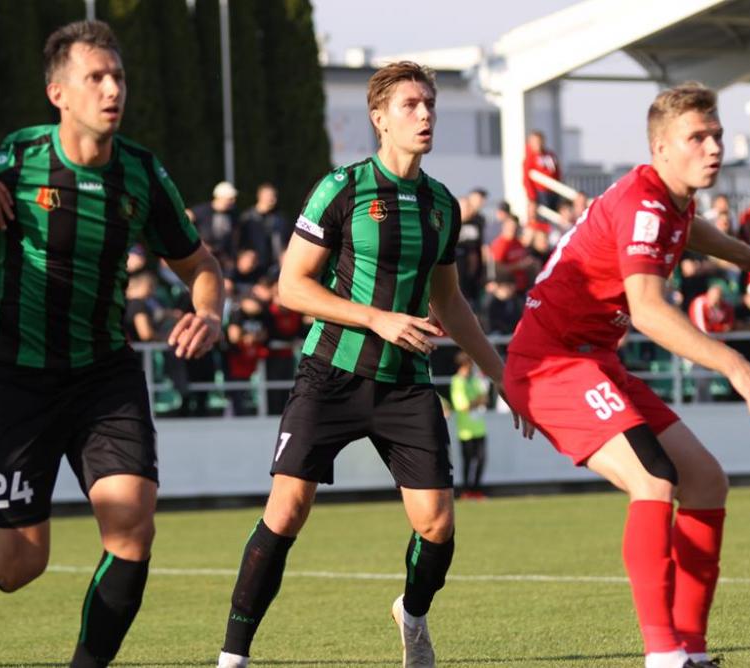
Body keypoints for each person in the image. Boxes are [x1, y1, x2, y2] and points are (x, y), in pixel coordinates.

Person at [216, 61, 530, 668]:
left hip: (406, 384)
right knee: (287, 509)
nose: (425, 114)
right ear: (379, 117)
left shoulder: (442, 205)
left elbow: (449, 302)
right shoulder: (342, 189)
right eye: (411, 104)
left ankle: (411, 614)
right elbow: (291, 287)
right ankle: (233, 658)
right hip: (330, 373)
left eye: (430, 103)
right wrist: (376, 318)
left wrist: (502, 375)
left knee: (436, 524)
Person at [0, 21, 224, 667]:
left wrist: (208, 311)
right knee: (18, 565)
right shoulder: (15, 162)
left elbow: (200, 264)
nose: (112, 89)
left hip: (103, 375)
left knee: (132, 527)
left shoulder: (141, 174)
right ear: (58, 93)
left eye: (117, 76)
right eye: (96, 77)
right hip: (15, 377)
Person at [502, 82, 750, 668]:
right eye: (697, 138)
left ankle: (691, 651)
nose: (713, 147)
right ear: (661, 148)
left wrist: (747, 256)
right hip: (551, 361)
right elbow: (649, 311)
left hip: (592, 360)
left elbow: (688, 228)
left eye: (716, 135)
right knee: (654, 481)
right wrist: (734, 363)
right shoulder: (645, 205)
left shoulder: (667, 199)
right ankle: (662, 654)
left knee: (704, 481)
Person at [450, 351, 489, 499]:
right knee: (467, 462)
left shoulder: (474, 380)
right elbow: (462, 406)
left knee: (481, 460)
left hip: (479, 428)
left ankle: (476, 489)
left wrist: (475, 402)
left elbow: (484, 399)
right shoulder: (457, 382)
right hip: (465, 431)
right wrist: (476, 401)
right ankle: (466, 490)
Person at [522, 130, 562, 219]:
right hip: (541, 192)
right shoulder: (529, 158)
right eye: (535, 141)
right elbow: (526, 179)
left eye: (539, 141)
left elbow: (557, 172)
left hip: (554, 190)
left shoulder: (550, 155)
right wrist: (532, 197)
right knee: (545, 216)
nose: (538, 144)